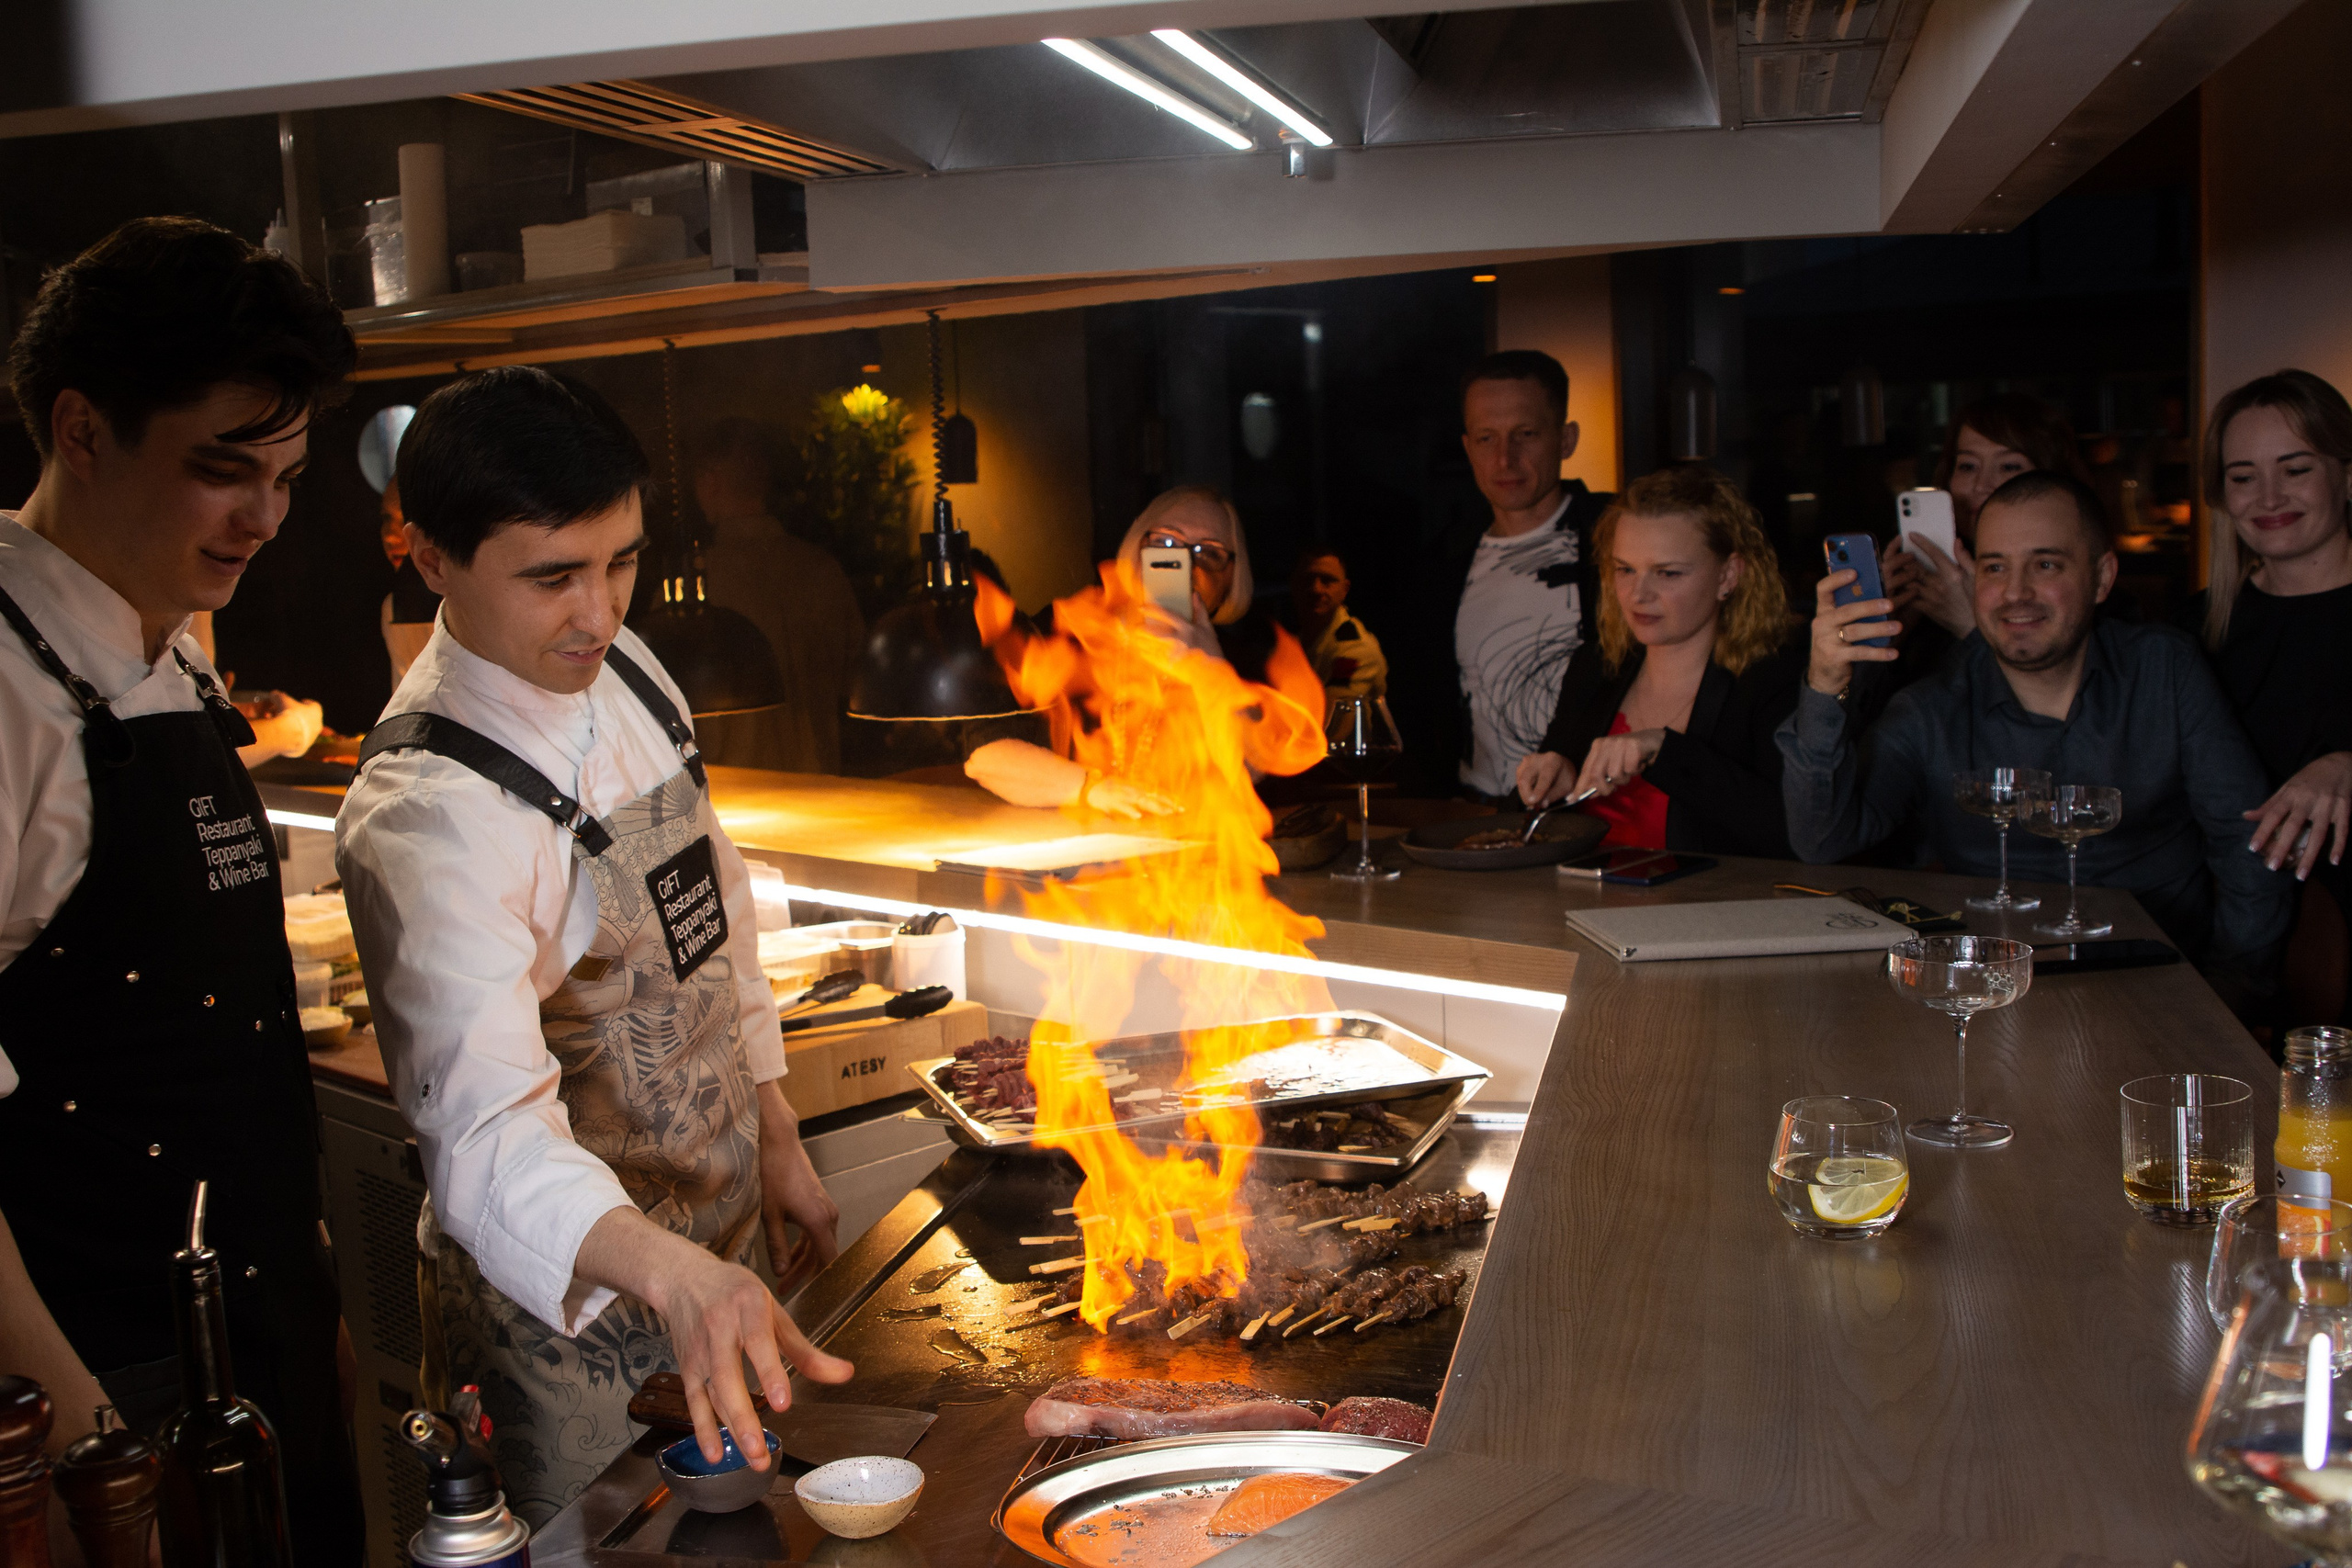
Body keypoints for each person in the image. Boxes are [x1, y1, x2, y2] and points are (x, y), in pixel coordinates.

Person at [334, 367, 852, 1527]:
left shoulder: (629, 672)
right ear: (430, 559)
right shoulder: (425, 813)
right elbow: (486, 1137)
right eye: (552, 576)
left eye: (621, 562)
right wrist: (672, 1272)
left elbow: (713, 909)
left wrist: (772, 1123)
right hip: (560, 1337)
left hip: (718, 1270)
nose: (600, 612)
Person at [0, 216, 365, 1562]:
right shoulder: (6, 690)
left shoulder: (171, 657)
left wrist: (308, 1295)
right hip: (102, 1389)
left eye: (286, 476)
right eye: (223, 469)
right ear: (83, 430)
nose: (263, 517)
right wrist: (91, 1460)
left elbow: (228, 1035)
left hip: (253, 1346)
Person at [1779, 468, 2291, 1009]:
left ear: (2102, 578)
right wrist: (1824, 687)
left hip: (2155, 989)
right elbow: (1821, 840)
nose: (2015, 593)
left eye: (2045, 564)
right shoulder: (1930, 706)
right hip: (1989, 998)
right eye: (1995, 567)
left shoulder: (2165, 669)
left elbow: (2248, 843)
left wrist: (2231, 989)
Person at [1515, 466, 1803, 856]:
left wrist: (1663, 749)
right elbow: (1538, 825)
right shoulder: (1597, 666)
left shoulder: (1773, 680)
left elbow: (1792, 832)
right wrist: (1554, 781)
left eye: (1667, 573)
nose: (1638, 594)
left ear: (1728, 576)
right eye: (1625, 569)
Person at [2187, 369, 2352, 1021]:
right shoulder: (2195, 628)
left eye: (2296, 468)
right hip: (2233, 946)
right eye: (2243, 476)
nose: (2269, 496)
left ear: (2346, 474)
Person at [964, 484, 1272, 816]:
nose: (1187, 564)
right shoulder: (1068, 632)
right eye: (1166, 543)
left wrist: (1210, 669)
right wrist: (1091, 789)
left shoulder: (1243, 662)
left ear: (1231, 579)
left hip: (1185, 844)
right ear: (1136, 550)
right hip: (1064, 840)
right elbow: (985, 754)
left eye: (1209, 553)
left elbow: (1250, 776)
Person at [1446, 350, 1615, 803]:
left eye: (1526, 434)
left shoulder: (1618, 540)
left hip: (1596, 811)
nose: (1505, 459)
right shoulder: (1441, 567)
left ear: (1566, 439)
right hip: (1478, 812)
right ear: (1468, 448)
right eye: (1486, 438)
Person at [687, 419, 865, 774]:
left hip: (735, 790)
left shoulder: (696, 588)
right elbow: (857, 681)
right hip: (821, 785)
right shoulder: (821, 571)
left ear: (709, 482)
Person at [1286, 547, 1386, 705]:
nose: (1316, 589)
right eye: (1307, 579)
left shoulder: (1355, 650)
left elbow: (1334, 716)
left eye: (1327, 580)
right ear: (1293, 584)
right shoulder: (1289, 640)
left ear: (1345, 589)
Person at [379, 475, 441, 686]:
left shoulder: (479, 604)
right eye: (386, 518)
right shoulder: (393, 608)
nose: (390, 536)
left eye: (405, 520)